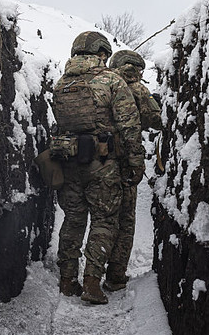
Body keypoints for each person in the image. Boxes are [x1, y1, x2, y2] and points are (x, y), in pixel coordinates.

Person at [51, 31, 145, 304]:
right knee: (104, 221)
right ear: (102, 53)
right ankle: (92, 282)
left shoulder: (62, 82)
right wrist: (135, 162)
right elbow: (130, 125)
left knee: (73, 219)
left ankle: (67, 280)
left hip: (69, 162)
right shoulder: (111, 80)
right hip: (103, 165)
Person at [103, 50, 162, 292]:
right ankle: (115, 276)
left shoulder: (102, 82)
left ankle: (89, 272)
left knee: (102, 219)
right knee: (125, 220)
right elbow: (155, 120)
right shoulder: (136, 88)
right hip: (126, 161)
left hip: (98, 161)